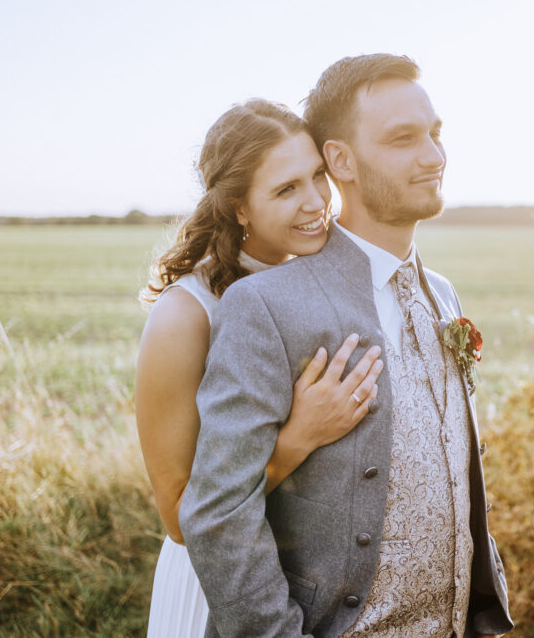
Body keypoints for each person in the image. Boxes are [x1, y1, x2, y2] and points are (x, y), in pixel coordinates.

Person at [179, 54, 513, 637]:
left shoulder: (444, 295)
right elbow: (217, 513)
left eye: (434, 135)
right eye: (403, 139)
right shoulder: (266, 305)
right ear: (340, 160)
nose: (433, 157)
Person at [136, 99, 384, 637]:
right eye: (286, 189)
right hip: (218, 589)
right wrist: (299, 438)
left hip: (298, 582)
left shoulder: (324, 288)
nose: (317, 201)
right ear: (238, 207)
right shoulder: (186, 315)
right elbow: (181, 518)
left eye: (318, 175)